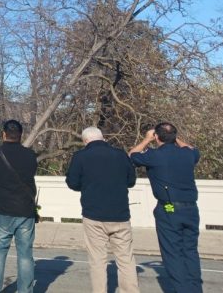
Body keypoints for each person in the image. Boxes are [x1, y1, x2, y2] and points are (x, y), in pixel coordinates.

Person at [130, 122, 202, 293]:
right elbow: (193, 150)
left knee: (173, 254)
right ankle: (195, 289)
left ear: (157, 136)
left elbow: (132, 155)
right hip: (190, 209)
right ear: (174, 137)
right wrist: (174, 138)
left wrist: (147, 139)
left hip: (169, 208)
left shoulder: (154, 156)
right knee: (190, 252)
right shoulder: (187, 154)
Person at [66, 126, 139, 293]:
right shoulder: (120, 154)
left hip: (94, 215)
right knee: (126, 260)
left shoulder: (80, 156)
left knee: (98, 261)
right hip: (120, 214)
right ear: (103, 138)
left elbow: (73, 182)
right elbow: (131, 181)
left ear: (85, 141)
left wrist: (88, 185)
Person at [0, 119, 38, 293]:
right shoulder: (30, 155)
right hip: (25, 210)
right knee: (25, 254)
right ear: (21, 135)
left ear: (3, 134)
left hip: (3, 209)